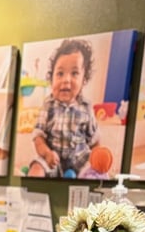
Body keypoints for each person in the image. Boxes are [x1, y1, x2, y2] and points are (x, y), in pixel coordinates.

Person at [26, 37, 106, 178]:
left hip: (80, 162)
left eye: (74, 73)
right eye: (60, 73)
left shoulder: (86, 107)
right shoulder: (48, 105)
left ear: (84, 80)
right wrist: (47, 153)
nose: (66, 80)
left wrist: (98, 161)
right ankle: (33, 190)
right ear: (51, 79)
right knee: (36, 168)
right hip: (52, 160)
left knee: (96, 173)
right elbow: (38, 137)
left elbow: (95, 142)